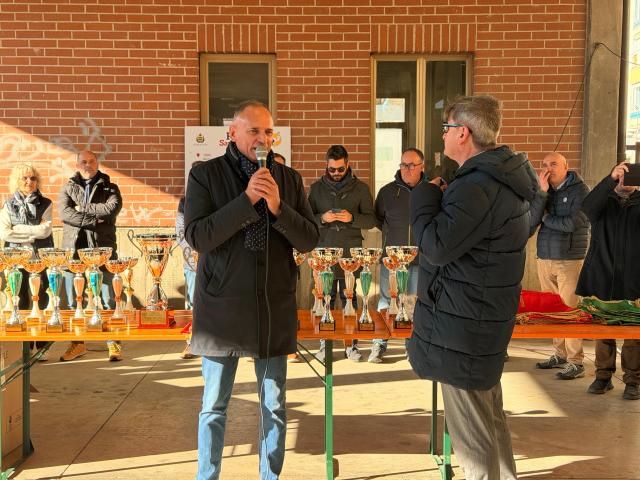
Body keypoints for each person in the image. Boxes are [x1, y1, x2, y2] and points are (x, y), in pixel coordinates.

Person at [184, 100, 318, 480]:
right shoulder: (206, 175)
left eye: (268, 131)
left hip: (271, 306)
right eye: (254, 131)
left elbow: (309, 239)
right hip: (222, 310)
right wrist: (246, 201)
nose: (262, 138)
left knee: (274, 406)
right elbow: (198, 236)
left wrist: (277, 207)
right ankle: (207, 475)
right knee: (214, 405)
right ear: (232, 133)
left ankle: (269, 476)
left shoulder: (288, 179)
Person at [408, 95, 538, 479]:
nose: (443, 136)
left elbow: (435, 248)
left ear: (463, 133)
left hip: (463, 327)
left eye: (446, 128)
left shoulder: (477, 186)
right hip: (478, 320)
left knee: (473, 438)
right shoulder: (501, 180)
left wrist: (425, 197)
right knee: (490, 421)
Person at [576, 162, 640, 400]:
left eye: (631, 175)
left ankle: (633, 380)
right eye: (621, 175)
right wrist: (610, 179)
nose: (625, 179)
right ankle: (603, 376)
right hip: (602, 273)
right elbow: (587, 208)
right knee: (603, 327)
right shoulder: (603, 200)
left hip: (634, 276)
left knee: (633, 330)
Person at [308, 145, 375, 362]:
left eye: (340, 169)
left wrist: (351, 218)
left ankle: (351, 344)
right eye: (332, 169)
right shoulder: (316, 189)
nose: (336, 173)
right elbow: (306, 219)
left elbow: (371, 220)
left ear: (348, 165)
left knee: (349, 298)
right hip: (325, 250)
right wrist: (322, 218)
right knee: (324, 298)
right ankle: (324, 345)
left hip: (349, 252)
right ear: (326, 166)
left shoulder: (361, 188)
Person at [529, 152, 590, 380]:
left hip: (569, 259)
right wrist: (542, 193)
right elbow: (532, 219)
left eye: (554, 164)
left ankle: (576, 362)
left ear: (566, 167)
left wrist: (546, 218)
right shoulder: (546, 191)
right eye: (545, 164)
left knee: (570, 310)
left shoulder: (580, 191)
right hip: (545, 257)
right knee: (552, 310)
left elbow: (573, 223)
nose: (548, 168)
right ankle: (560, 354)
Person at [58, 150, 123, 362]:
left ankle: (113, 342)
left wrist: (81, 208)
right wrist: (93, 220)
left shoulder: (109, 187)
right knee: (72, 302)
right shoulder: (68, 187)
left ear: (97, 163)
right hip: (74, 248)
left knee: (108, 299)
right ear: (77, 165)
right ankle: (77, 344)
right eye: (83, 162)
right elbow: (65, 213)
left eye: (92, 161)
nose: (88, 165)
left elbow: (111, 209)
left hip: (102, 248)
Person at [371, 148, 426, 363]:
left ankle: (412, 346)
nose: (406, 169)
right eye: (403, 164)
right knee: (387, 301)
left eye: (411, 165)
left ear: (422, 167)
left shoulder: (431, 192)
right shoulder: (386, 192)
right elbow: (378, 220)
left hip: (420, 261)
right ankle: (379, 343)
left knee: (413, 304)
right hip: (392, 262)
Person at [0, 163, 53, 359]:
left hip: (39, 259)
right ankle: (24, 346)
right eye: (25, 178)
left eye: (33, 178)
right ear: (17, 180)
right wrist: (32, 232)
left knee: (41, 299)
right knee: (20, 300)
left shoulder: (46, 203)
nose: (29, 182)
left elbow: (45, 231)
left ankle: (41, 346)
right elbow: (4, 233)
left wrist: (19, 229)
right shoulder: (8, 205)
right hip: (16, 260)